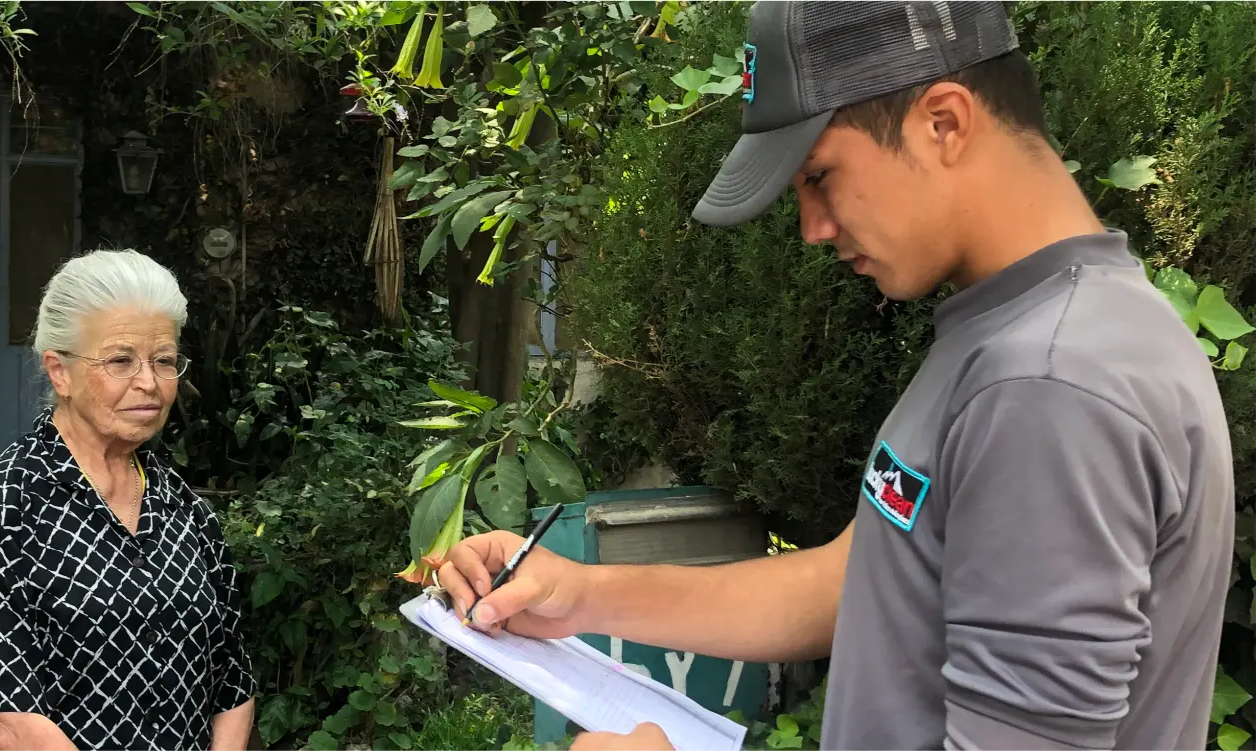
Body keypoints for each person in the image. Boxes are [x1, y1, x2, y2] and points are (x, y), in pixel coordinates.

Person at [439, 2, 1235, 749]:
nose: (813, 229)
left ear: (944, 122)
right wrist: (575, 593)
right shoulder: (1016, 334)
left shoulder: (1047, 386)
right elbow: (853, 582)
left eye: (818, 175)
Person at [0, 249, 258, 750]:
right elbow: (0, 719)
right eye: (121, 360)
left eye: (163, 360)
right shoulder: (1, 510)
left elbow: (231, 673)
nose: (149, 382)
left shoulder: (184, 508)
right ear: (60, 371)